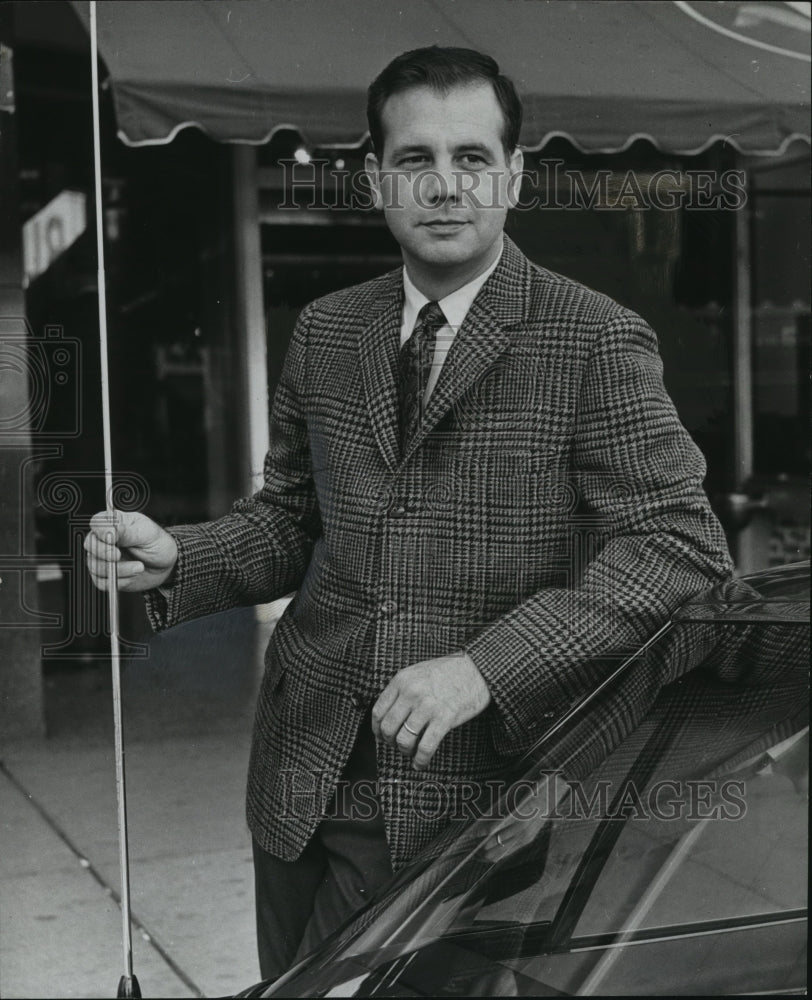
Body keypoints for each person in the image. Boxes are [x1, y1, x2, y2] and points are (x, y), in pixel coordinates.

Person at [85, 46, 733, 980]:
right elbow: (291, 520)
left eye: (472, 158)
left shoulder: (592, 338)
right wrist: (179, 557)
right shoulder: (328, 329)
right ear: (377, 179)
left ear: (512, 175)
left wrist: (487, 666)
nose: (444, 185)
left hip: (471, 793)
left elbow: (681, 548)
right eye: (416, 159)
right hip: (301, 781)